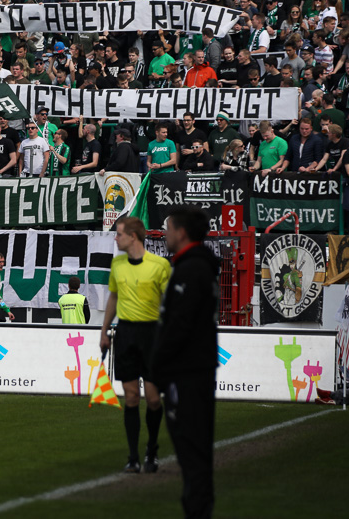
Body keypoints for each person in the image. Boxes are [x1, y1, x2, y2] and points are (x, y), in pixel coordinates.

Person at [153, 206, 220, 519]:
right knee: (194, 446)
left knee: (191, 445)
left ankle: (197, 509)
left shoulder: (192, 269)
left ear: (180, 233)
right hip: (192, 369)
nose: (164, 235)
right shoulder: (195, 266)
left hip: (188, 371)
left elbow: (179, 323)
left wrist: (158, 364)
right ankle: (197, 507)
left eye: (168, 229)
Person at [99, 215, 171, 474]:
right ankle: (133, 457)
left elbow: (170, 301)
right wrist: (105, 331)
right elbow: (113, 298)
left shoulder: (159, 265)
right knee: (130, 397)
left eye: (118, 234)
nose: (115, 238)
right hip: (126, 332)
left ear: (133, 236)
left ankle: (152, 449)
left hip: (152, 334)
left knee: (152, 399)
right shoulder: (117, 264)